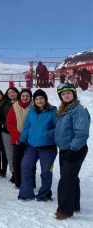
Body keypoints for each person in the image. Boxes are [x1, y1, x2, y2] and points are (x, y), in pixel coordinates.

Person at [54, 83, 90, 220]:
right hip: (65, 149)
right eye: (63, 94)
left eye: (68, 92)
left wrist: (73, 149)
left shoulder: (78, 110)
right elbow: (62, 130)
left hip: (75, 149)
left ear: (74, 94)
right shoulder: (65, 110)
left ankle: (64, 211)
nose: (66, 95)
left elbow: (81, 132)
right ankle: (74, 205)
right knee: (71, 177)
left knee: (66, 179)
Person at [18, 89, 57, 202]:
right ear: (34, 101)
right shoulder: (31, 112)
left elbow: (58, 127)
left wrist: (47, 134)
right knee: (25, 167)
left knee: (46, 171)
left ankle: (43, 194)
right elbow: (26, 127)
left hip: (48, 147)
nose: (39, 101)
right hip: (32, 146)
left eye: (41, 98)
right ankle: (26, 193)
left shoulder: (53, 111)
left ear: (45, 99)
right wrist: (22, 140)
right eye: (36, 99)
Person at [6, 89, 36, 189]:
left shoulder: (35, 107)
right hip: (17, 139)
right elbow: (9, 123)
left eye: (27, 96)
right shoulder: (14, 107)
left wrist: (29, 137)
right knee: (17, 161)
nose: (25, 98)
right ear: (20, 96)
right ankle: (18, 182)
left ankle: (31, 182)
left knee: (31, 162)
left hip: (31, 140)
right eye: (23, 96)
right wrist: (18, 136)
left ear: (30, 97)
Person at [3, 87, 20, 182]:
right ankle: (13, 172)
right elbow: (1, 116)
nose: (11, 94)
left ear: (17, 93)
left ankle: (20, 172)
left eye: (13, 92)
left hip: (20, 132)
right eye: (9, 93)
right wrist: (3, 125)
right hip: (7, 132)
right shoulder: (5, 104)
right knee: (10, 154)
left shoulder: (23, 103)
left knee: (20, 154)